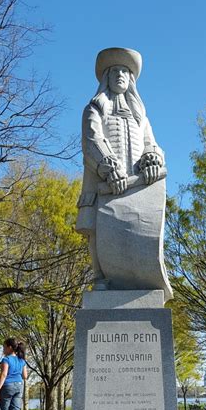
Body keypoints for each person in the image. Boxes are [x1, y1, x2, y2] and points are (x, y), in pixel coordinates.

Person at [76, 47, 165, 289]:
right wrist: (108, 167)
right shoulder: (94, 109)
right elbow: (92, 140)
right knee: (96, 228)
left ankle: (135, 273)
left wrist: (152, 159)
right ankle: (99, 277)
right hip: (103, 182)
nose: (120, 75)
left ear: (131, 80)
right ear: (106, 77)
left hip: (134, 185)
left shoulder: (140, 117)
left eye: (125, 71)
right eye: (115, 71)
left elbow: (152, 144)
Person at [0, 338, 27, 410]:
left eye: (4, 347)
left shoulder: (6, 359)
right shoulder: (22, 360)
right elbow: (25, 376)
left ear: (9, 347)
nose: (3, 349)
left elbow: (4, 374)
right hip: (19, 386)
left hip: (8, 386)